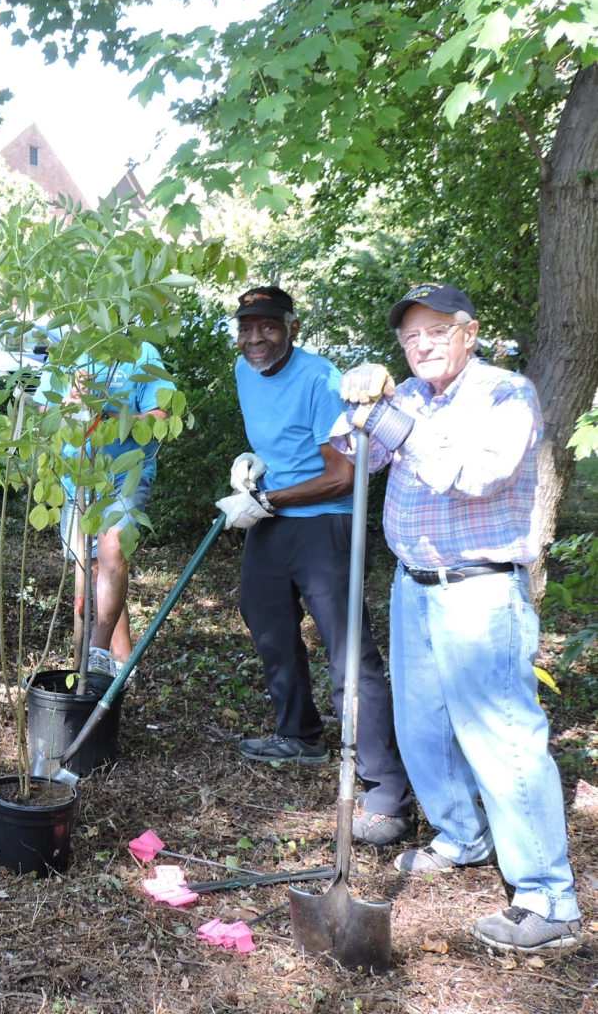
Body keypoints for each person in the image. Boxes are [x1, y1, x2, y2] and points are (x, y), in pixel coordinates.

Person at [333, 282, 580, 952]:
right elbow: (355, 455)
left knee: (502, 736)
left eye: (436, 331)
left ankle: (549, 901)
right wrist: (356, 402)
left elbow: (477, 476)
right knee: (422, 726)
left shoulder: (505, 394)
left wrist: (395, 422)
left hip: (479, 590)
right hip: (412, 584)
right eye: (409, 336)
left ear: (469, 333)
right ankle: (462, 837)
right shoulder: (408, 396)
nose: (421, 346)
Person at [214, 285, 412, 847]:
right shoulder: (244, 370)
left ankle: (385, 790)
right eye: (246, 327)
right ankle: (300, 735)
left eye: (268, 326)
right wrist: (254, 470)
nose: (256, 338)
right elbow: (281, 447)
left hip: (325, 522)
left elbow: (343, 475)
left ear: (292, 328)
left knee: (349, 651)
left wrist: (268, 499)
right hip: (273, 515)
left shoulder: (320, 380)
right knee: (266, 621)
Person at [36, 337, 173, 675]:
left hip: (125, 473)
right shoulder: (65, 352)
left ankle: (96, 651)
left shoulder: (141, 351)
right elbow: (43, 418)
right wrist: (67, 405)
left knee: (113, 550)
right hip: (76, 477)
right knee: (96, 567)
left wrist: (106, 412)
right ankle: (123, 660)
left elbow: (161, 418)